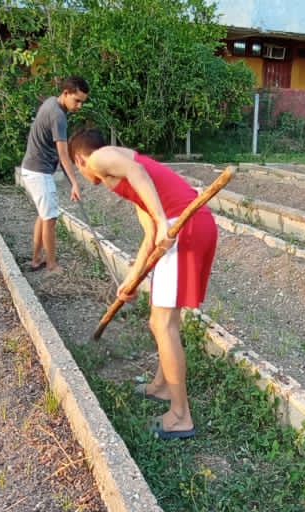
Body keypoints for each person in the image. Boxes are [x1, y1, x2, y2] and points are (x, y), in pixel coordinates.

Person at [67, 127, 217, 440]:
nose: (86, 177)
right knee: (164, 320)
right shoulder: (133, 183)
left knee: (163, 325)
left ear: (79, 160)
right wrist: (131, 281)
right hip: (186, 227)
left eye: (78, 170)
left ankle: (180, 416)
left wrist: (163, 220)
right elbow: (149, 236)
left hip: (181, 227)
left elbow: (139, 180)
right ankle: (162, 387)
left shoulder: (100, 158)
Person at [20, 76, 90, 274]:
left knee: (44, 216)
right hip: (38, 171)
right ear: (66, 93)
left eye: (82, 102)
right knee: (50, 218)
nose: (79, 106)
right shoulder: (58, 116)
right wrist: (75, 183)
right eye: (77, 101)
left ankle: (36, 260)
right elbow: (63, 154)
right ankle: (51, 265)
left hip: (33, 169)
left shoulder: (51, 102)